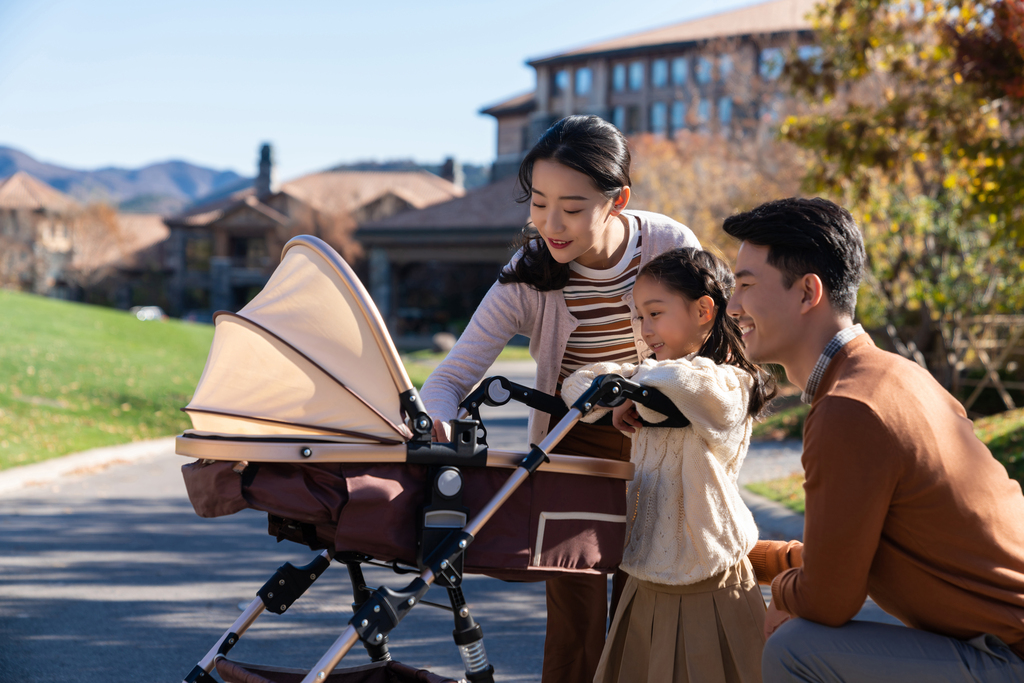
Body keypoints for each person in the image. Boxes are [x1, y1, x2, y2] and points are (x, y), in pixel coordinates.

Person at [420, 114, 700, 683]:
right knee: (574, 613)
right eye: (538, 203)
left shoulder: (670, 246)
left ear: (617, 199)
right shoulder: (527, 274)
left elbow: (706, 357)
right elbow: (447, 381)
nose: (551, 224)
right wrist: (437, 424)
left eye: (572, 208)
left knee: (648, 603)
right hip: (571, 447)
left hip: (665, 441)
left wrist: (650, 396)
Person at [721, 197, 1024, 682]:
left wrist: (784, 597)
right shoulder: (893, 377)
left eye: (746, 285)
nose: (732, 305)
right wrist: (760, 562)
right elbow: (851, 556)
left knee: (796, 648)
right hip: (996, 646)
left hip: (1007, 659)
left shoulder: (849, 407)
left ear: (806, 293)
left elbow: (828, 601)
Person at [561, 247, 775, 683]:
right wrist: (622, 393)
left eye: (655, 313)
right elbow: (576, 385)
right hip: (647, 567)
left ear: (703, 310)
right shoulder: (649, 376)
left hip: (712, 569)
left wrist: (628, 388)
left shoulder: (730, 383)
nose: (645, 328)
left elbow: (686, 382)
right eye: (640, 316)